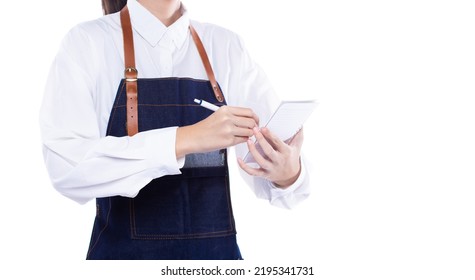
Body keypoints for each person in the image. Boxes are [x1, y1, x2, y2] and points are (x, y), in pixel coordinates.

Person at [39, 0, 311, 260]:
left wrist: (287, 173)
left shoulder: (226, 46)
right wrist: (186, 139)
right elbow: (67, 167)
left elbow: (274, 165)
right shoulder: (88, 43)